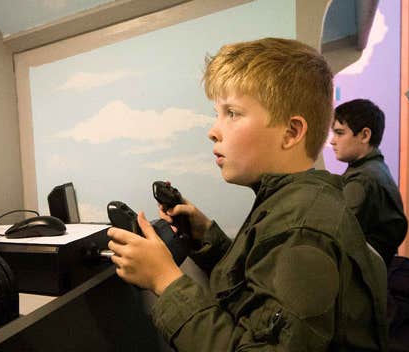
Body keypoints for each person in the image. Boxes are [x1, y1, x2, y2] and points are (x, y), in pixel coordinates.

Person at [107, 38, 389, 351]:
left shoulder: (299, 228)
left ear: (292, 132)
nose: (213, 130)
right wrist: (207, 239)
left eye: (232, 113)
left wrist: (165, 280)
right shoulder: (293, 202)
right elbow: (258, 291)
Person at [330, 99, 407, 265]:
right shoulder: (375, 169)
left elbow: (335, 237)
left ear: (365, 135)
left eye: (340, 133)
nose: (332, 140)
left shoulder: (362, 181)